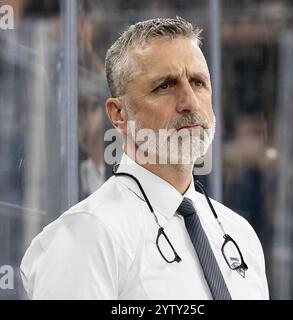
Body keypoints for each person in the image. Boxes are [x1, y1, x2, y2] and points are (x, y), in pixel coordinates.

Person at [20, 17, 269, 300]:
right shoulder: (87, 234)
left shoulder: (239, 233)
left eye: (198, 82)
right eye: (164, 86)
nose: (189, 101)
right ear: (119, 114)